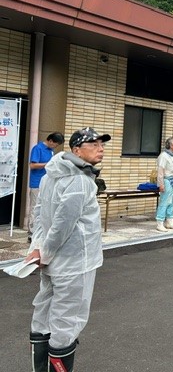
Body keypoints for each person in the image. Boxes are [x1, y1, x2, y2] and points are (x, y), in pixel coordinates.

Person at [27, 127, 111, 372]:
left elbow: (41, 217)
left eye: (101, 144)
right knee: (67, 323)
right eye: (93, 144)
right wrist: (45, 252)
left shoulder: (50, 176)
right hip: (76, 264)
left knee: (43, 316)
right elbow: (63, 226)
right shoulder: (80, 181)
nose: (100, 148)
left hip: (53, 264)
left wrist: (38, 249)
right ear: (76, 150)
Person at [27, 132, 64, 241]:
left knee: (46, 208)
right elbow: (32, 165)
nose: (55, 147)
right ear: (50, 141)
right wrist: (49, 164)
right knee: (35, 208)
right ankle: (31, 233)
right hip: (37, 183)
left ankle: (41, 232)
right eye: (55, 144)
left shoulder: (51, 151)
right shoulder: (37, 148)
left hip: (48, 183)